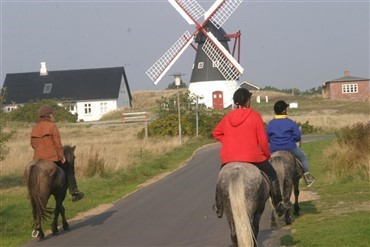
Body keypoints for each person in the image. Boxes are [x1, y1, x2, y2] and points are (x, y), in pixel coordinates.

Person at [212, 88, 291, 217]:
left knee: (221, 177)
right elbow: (263, 141)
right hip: (252, 157)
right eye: (249, 99)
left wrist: (228, 141)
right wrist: (266, 154)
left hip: (230, 158)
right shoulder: (255, 115)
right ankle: (279, 206)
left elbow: (216, 133)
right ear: (247, 101)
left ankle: (218, 206)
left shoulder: (228, 116)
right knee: (272, 175)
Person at [30, 105, 84, 202]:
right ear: (49, 115)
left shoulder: (35, 128)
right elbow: (57, 144)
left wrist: (40, 151)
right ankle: (74, 192)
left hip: (37, 158)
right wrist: (62, 156)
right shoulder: (52, 126)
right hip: (51, 157)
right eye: (52, 114)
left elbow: (33, 144)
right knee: (69, 168)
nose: (53, 116)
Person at [266, 100, 316, 187]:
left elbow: (266, 138)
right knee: (303, 157)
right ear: (284, 111)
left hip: (274, 149)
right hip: (290, 147)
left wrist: (274, 141)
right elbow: (297, 136)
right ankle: (307, 177)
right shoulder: (290, 122)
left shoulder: (270, 124)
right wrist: (291, 140)